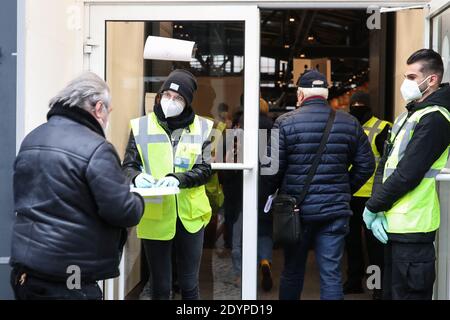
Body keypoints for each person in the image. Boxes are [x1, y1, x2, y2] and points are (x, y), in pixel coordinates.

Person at [10, 72, 144, 300]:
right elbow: (122, 211)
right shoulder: (96, 148)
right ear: (99, 107)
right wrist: (138, 198)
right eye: (108, 113)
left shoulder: (33, 138)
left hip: (26, 271)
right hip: (71, 276)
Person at [266, 70, 375, 300]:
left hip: (296, 212)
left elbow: (272, 171)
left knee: (292, 272)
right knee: (331, 275)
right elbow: (366, 165)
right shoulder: (350, 122)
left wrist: (270, 199)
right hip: (335, 212)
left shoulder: (284, 123)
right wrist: (344, 188)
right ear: (325, 94)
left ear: (301, 94)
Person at [364, 49, 450, 300]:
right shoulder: (410, 115)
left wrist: (372, 206)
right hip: (393, 226)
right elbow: (386, 163)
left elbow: (408, 174)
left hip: (414, 230)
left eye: (412, 77)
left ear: (431, 80)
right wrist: (378, 207)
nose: (406, 83)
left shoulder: (436, 119)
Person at [122, 69, 214, 300]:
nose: (170, 102)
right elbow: (128, 166)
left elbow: (204, 170)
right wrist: (135, 177)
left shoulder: (202, 128)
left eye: (178, 98)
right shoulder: (141, 126)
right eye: (167, 96)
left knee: (189, 284)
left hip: (190, 217)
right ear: (160, 95)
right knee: (160, 287)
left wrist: (178, 178)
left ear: (187, 102)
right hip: (156, 215)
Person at [343, 91, 391, 299]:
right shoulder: (345, 126)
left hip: (372, 198)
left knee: (375, 247)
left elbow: (388, 164)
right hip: (351, 194)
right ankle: (354, 281)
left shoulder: (383, 127)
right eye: (354, 105)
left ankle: (376, 286)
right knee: (352, 243)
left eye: (360, 105)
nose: (357, 108)